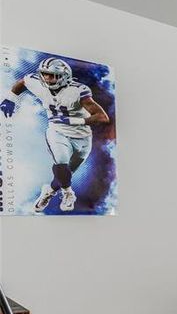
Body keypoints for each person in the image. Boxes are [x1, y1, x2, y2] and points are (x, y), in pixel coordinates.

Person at [0, 57, 110, 213]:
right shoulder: (37, 82)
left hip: (82, 137)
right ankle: (68, 194)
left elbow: (102, 117)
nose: (47, 78)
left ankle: (49, 191)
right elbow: (22, 82)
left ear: (64, 76)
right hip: (57, 131)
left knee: (64, 176)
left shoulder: (77, 91)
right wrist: (11, 98)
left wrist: (72, 120)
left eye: (52, 75)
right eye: (44, 74)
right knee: (61, 164)